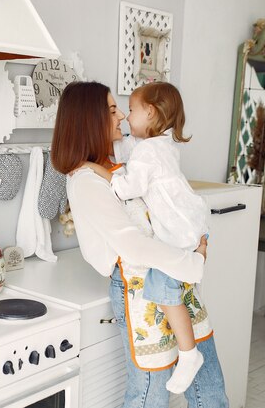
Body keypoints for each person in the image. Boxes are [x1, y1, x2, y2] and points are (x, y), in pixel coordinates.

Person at [51, 81, 228, 407]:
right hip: (142, 287)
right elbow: (132, 246)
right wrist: (194, 262)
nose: (120, 115)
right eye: (111, 109)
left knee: (210, 385)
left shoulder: (126, 158)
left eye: (123, 108)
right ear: (89, 119)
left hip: (175, 276)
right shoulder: (86, 180)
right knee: (150, 393)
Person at [84, 81, 210, 393]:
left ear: (150, 112)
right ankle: (189, 351)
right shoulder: (160, 145)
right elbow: (125, 148)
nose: (125, 118)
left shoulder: (147, 154)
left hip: (181, 232)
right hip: (191, 222)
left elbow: (127, 187)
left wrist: (95, 168)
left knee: (162, 286)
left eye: (129, 110)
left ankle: (188, 354)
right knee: (169, 288)